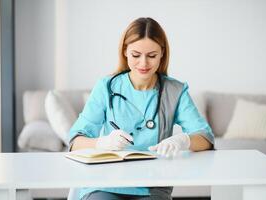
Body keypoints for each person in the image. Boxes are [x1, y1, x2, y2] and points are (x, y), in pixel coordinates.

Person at [68, 17, 214, 200]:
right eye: (136, 55)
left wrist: (183, 140)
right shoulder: (106, 87)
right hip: (105, 184)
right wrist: (101, 143)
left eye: (151, 56)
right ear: (125, 52)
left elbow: (205, 138)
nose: (143, 64)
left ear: (162, 53)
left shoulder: (175, 90)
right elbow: (75, 141)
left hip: (152, 188)